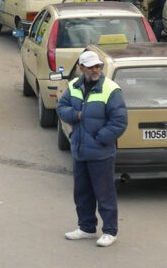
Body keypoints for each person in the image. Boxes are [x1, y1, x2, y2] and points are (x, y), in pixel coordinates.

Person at [56, 50, 128, 248]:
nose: (95, 70)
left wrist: (100, 139)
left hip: (101, 153)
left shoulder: (111, 89)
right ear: (81, 68)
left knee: (104, 193)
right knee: (82, 192)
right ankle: (87, 227)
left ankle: (110, 231)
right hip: (80, 151)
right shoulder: (74, 86)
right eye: (91, 67)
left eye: (98, 66)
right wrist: (76, 115)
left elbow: (119, 122)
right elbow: (61, 107)